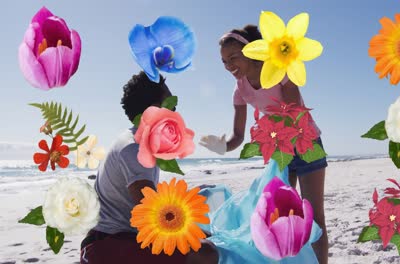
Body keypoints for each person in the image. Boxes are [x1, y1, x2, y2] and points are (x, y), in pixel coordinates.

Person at [199, 25, 329, 264]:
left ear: (251, 51)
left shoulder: (279, 70)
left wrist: (269, 134)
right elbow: (237, 136)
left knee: (314, 218)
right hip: (280, 151)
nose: (228, 66)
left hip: (306, 144)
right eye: (224, 61)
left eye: (233, 57)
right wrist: (222, 146)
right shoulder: (240, 91)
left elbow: (293, 113)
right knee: (280, 218)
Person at [80, 71, 218, 264]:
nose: (176, 114)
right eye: (172, 106)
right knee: (207, 254)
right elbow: (152, 211)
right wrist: (196, 234)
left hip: (119, 239)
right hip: (106, 246)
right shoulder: (134, 148)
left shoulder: (137, 142)